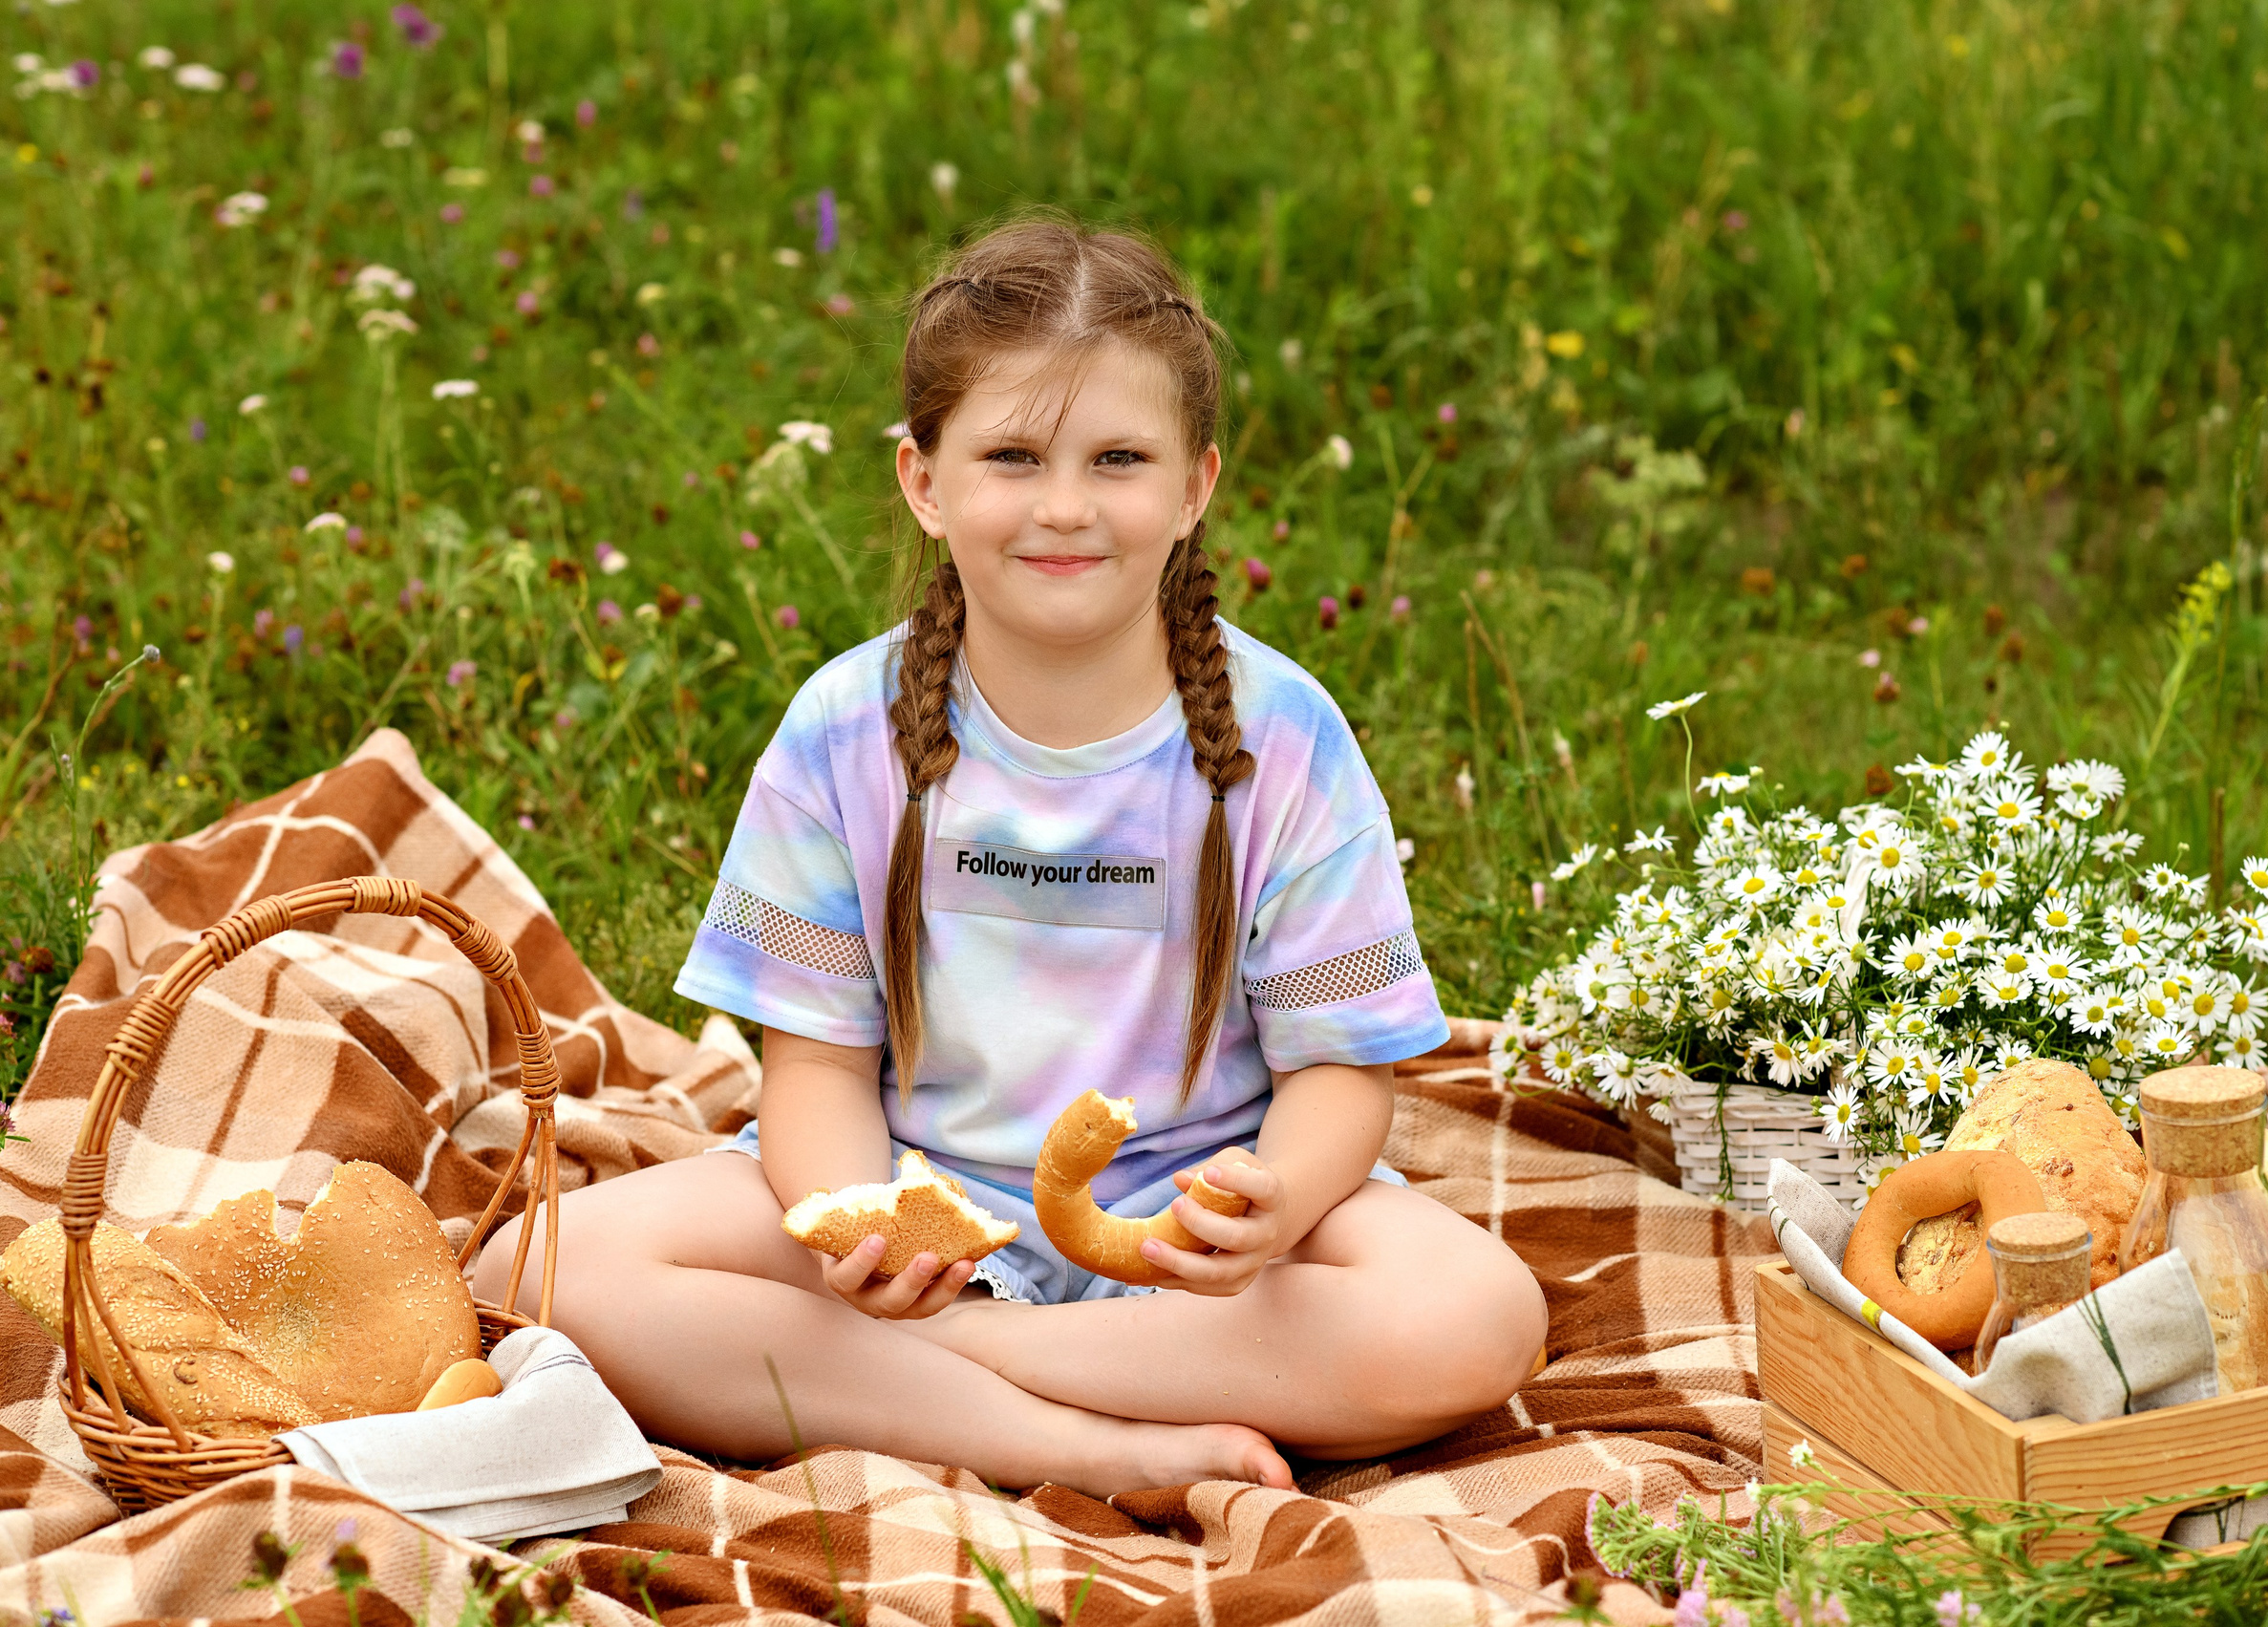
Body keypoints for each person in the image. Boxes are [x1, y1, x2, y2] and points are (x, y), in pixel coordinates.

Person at [478, 215, 1546, 1496]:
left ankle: (958, 1368)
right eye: (1013, 456)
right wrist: (850, 1226)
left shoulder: (1287, 738)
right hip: (919, 1190)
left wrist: (1279, 1196)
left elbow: (1341, 1075)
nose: (1064, 506)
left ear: (1196, 484)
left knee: (1478, 1315)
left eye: (1118, 459)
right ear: (925, 481)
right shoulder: (843, 729)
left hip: (1190, 1233)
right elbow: (815, 1065)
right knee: (531, 1266)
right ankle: (1081, 1443)